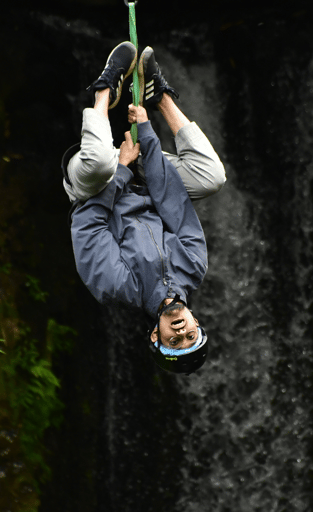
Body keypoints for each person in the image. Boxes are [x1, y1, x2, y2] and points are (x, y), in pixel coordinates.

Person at [62, 42, 225, 374]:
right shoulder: (193, 267)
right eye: (190, 335)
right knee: (212, 177)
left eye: (174, 341)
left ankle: (104, 90)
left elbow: (89, 222)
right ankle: (159, 93)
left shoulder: (117, 288)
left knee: (98, 163)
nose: (181, 333)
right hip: (143, 177)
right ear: (195, 321)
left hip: (95, 187)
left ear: (156, 334)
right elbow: (174, 202)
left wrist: (122, 169)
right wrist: (147, 131)